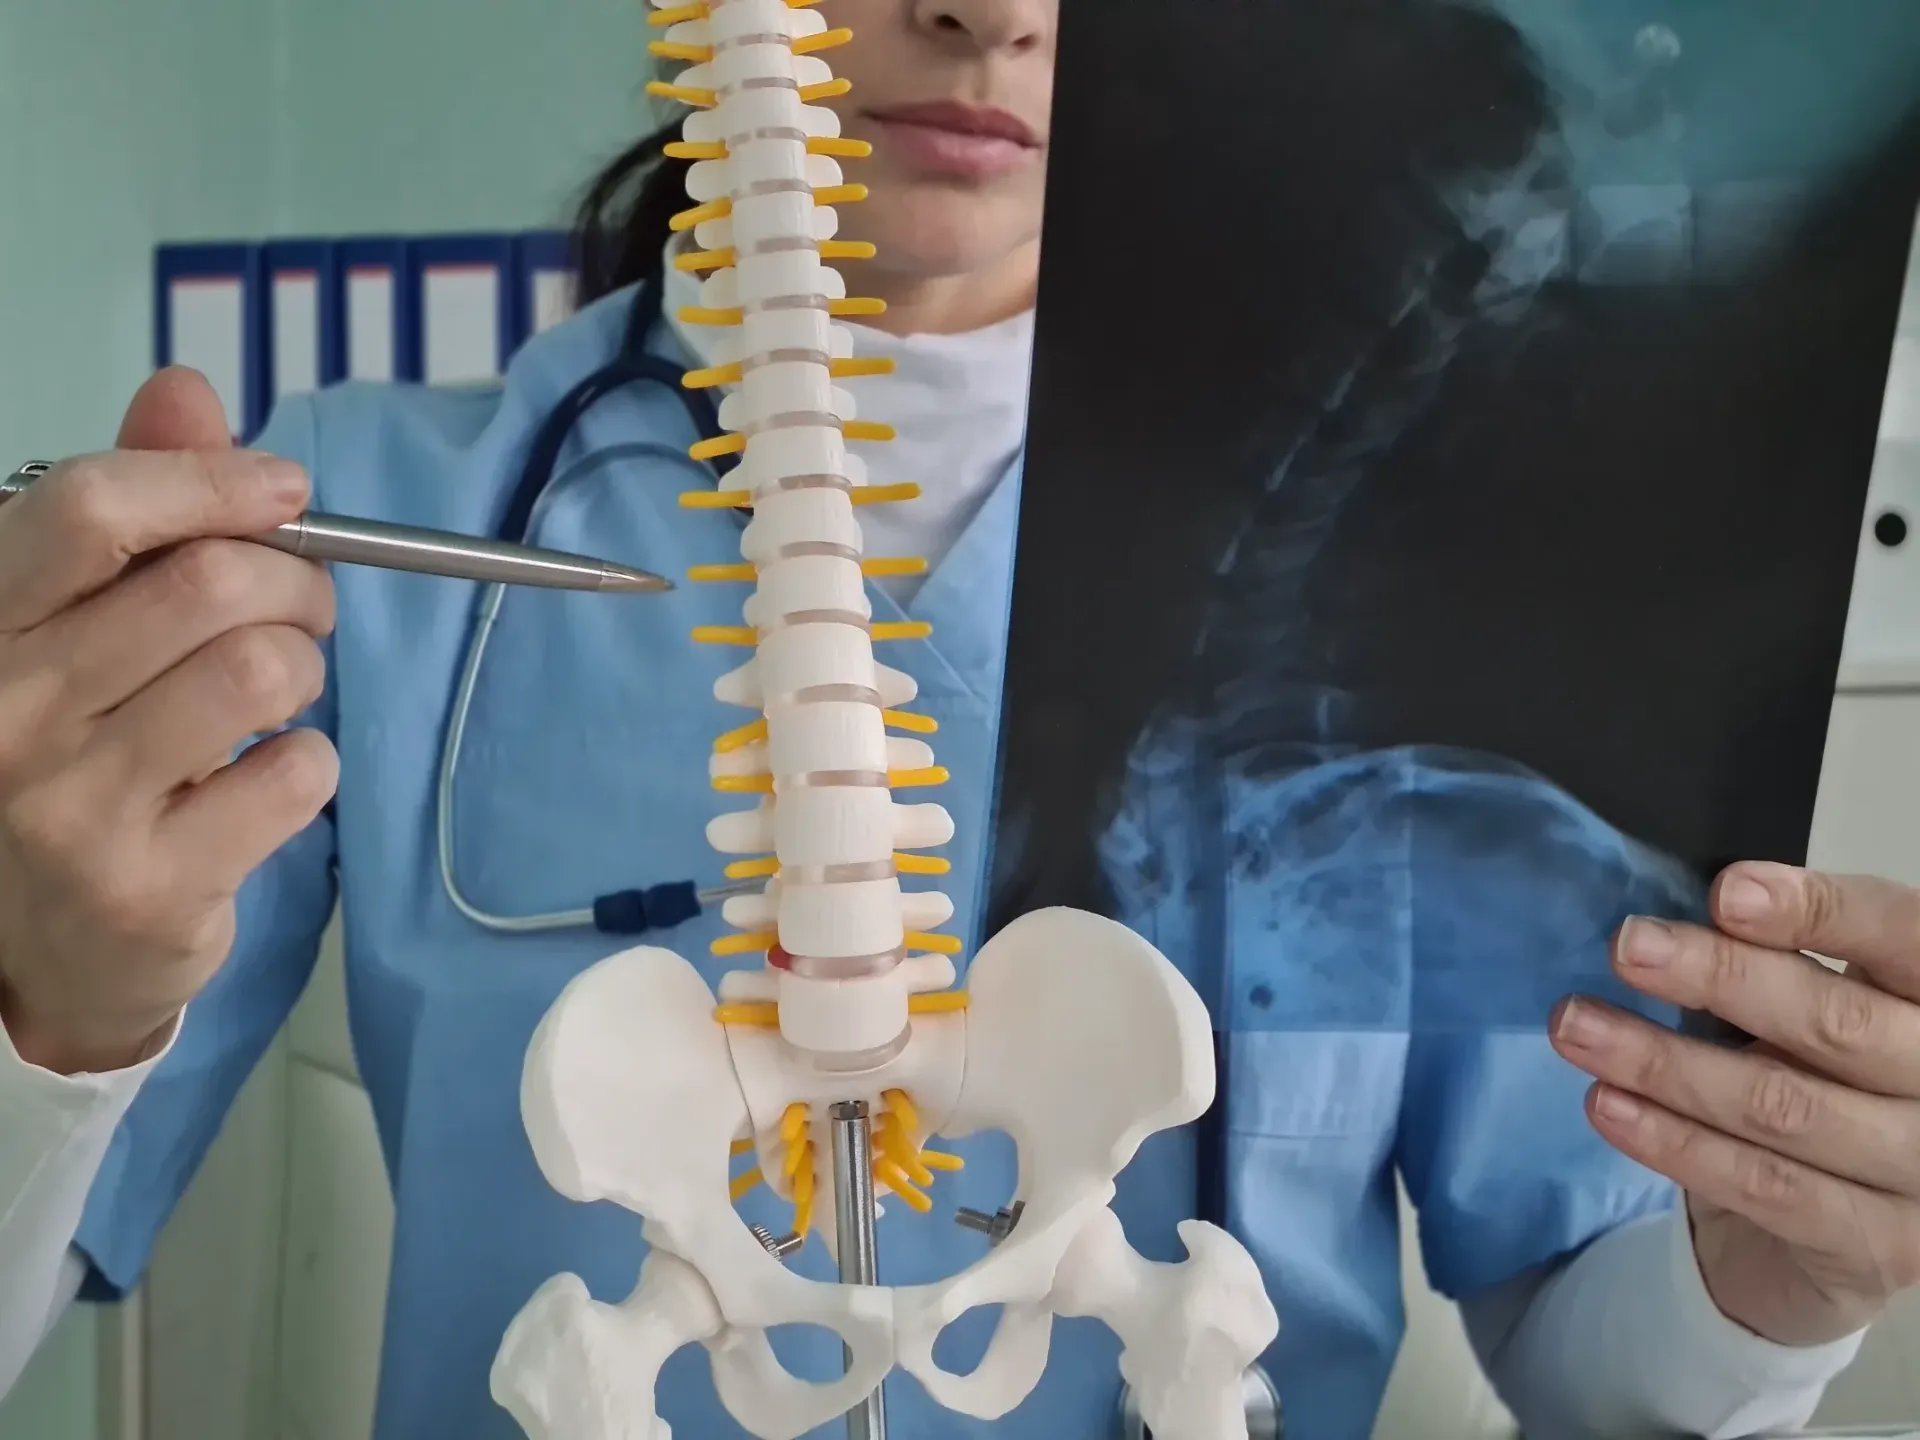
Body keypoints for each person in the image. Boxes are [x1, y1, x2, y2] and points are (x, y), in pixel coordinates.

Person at [3, 2, 1920, 1437]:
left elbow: (1602, 1367)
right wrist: (43, 1016)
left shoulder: (1424, 614)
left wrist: (1789, 1267)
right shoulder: (353, 532)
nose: (986, 8)